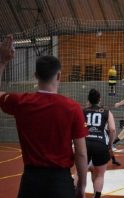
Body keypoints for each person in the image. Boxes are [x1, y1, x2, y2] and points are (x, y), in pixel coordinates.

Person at [0, 35, 88, 198]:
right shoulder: (73, 108)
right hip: (59, 182)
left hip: (31, 182)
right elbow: (81, 153)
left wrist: (2, 62)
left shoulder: (21, 102)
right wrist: (82, 185)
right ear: (59, 76)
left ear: (36, 75)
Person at [83, 89, 116, 198]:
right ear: (99, 99)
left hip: (85, 143)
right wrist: (110, 144)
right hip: (100, 143)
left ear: (88, 100)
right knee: (99, 175)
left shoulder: (83, 111)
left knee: (80, 174)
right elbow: (112, 130)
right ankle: (96, 196)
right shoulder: (106, 112)